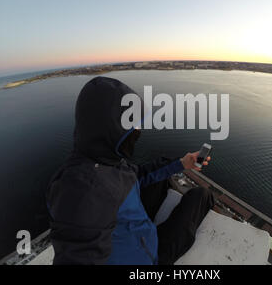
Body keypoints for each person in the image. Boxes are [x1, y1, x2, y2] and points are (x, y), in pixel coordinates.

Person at [46, 76, 214, 265]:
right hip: (149, 259)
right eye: (131, 122)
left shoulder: (103, 158)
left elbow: (136, 176)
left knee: (159, 180)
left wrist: (182, 163)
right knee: (202, 195)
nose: (138, 129)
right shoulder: (84, 192)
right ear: (111, 127)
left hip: (138, 237)